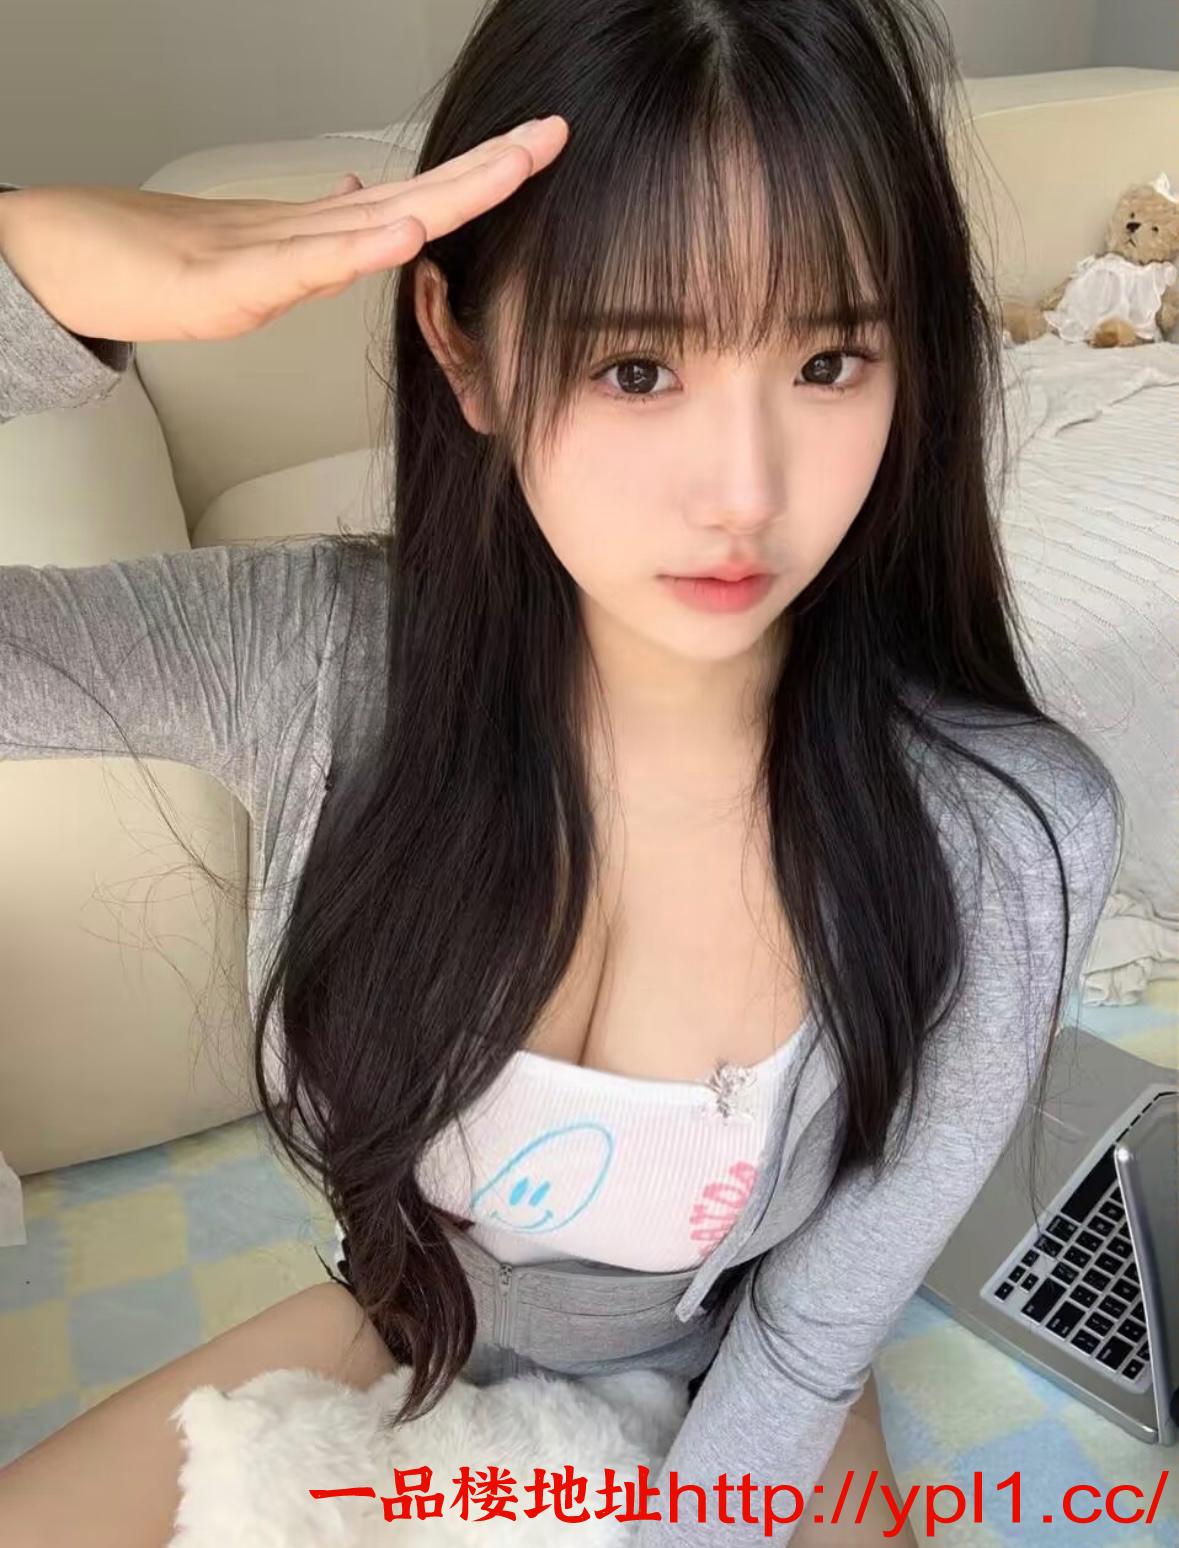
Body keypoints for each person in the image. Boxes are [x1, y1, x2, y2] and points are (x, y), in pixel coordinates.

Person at [0, 1, 1123, 1545]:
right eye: (638, 366)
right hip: (406, 1319)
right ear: (463, 346)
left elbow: (810, 1334)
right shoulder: (316, 661)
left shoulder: (1008, 829)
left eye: (829, 358)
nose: (744, 492)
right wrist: (30, 280)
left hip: (756, 1374)